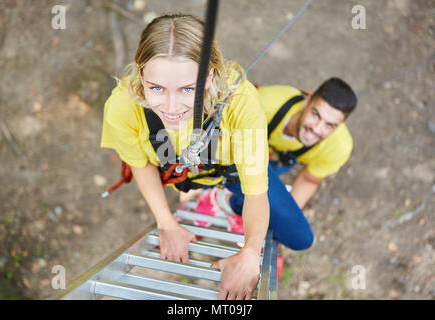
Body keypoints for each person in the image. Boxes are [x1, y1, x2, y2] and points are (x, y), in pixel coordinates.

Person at [100, 14, 312, 300]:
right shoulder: (123, 107)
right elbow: (141, 165)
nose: (172, 107)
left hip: (230, 173)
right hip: (183, 175)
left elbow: (256, 192)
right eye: (157, 88)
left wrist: (250, 251)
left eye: (188, 89)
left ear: (209, 76)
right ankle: (202, 195)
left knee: (299, 237)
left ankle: (223, 199)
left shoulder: (240, 102)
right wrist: (166, 223)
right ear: (141, 75)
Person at [256, 79, 358, 209]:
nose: (316, 129)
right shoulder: (263, 104)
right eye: (315, 115)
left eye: (330, 125)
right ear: (306, 102)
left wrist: (285, 216)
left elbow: (308, 179)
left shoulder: (338, 148)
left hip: (280, 158)